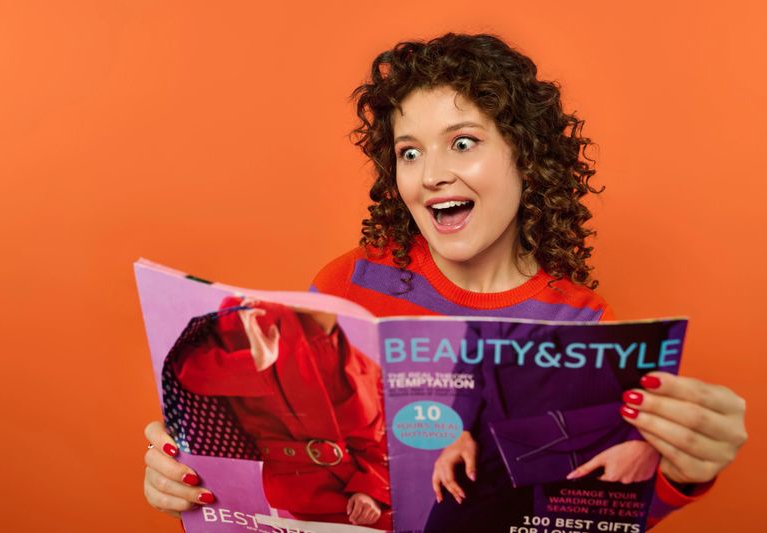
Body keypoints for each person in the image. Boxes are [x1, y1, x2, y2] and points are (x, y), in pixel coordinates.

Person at [143, 33, 747, 530]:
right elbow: (273, 432)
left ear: (525, 155)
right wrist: (191, 478)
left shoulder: (582, 322)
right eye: (409, 152)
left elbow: (584, 498)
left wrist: (683, 470)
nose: (431, 175)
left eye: (462, 143)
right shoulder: (349, 280)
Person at [167, 296, 390, 528]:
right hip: (285, 499)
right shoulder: (254, 314)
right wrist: (252, 363)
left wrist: (370, 490)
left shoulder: (363, 364)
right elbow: (188, 372)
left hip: (360, 500)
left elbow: (381, 441)